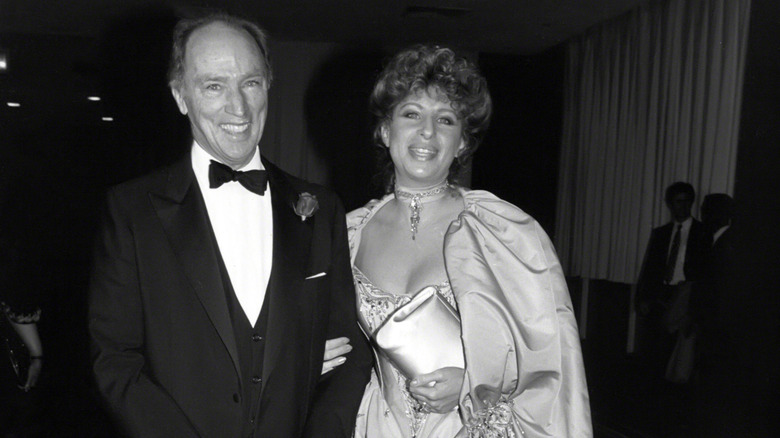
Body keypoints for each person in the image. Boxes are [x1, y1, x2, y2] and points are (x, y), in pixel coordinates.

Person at [88, 13, 372, 438]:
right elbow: (114, 361)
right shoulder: (131, 210)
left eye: (251, 83)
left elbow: (350, 356)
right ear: (181, 96)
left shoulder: (321, 209)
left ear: (268, 88)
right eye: (214, 86)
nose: (237, 107)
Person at [347, 45, 592, 438]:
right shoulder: (348, 234)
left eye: (445, 120)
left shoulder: (503, 229)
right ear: (384, 129)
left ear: (462, 142)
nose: (427, 132)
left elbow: (550, 360)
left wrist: (469, 382)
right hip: (375, 426)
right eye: (411, 114)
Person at [636, 182, 708, 381]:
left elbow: (705, 273)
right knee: (657, 349)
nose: (683, 206)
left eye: (687, 201)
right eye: (678, 202)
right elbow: (650, 269)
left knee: (681, 354)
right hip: (662, 295)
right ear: (670, 204)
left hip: (686, 295)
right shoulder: (661, 233)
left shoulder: (702, 232)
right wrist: (644, 298)